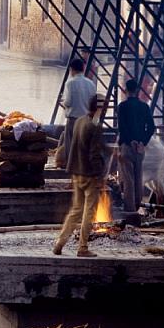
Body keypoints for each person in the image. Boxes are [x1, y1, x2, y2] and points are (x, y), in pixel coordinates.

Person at [53, 96, 108, 258]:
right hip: (90, 175)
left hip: (77, 173)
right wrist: (99, 175)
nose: (105, 111)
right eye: (103, 109)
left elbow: (76, 145)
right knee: (88, 212)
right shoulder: (95, 126)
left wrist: (112, 151)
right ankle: (82, 248)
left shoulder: (79, 122)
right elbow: (94, 154)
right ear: (98, 109)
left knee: (75, 210)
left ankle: (59, 244)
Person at [117, 79, 155, 212]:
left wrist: (129, 141)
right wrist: (142, 142)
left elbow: (122, 127)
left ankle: (129, 208)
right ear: (137, 90)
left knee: (128, 178)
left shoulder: (122, 106)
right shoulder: (144, 107)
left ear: (126, 90)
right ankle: (138, 204)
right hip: (140, 148)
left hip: (127, 147)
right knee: (138, 176)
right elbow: (151, 127)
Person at [60, 58, 96, 165]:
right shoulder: (91, 84)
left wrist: (63, 103)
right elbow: (93, 104)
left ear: (72, 69)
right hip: (86, 120)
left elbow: (68, 102)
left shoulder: (70, 83)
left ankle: (72, 171)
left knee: (71, 149)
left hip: (73, 120)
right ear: (83, 69)